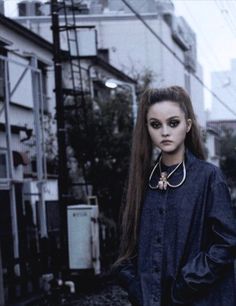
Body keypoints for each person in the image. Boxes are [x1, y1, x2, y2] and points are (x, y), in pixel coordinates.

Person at [114, 86, 236, 306]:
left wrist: (184, 285)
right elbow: (124, 251)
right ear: (147, 129)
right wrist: (135, 287)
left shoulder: (208, 178)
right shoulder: (139, 182)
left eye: (173, 123)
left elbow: (226, 244)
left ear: (187, 125)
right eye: (155, 125)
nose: (164, 132)